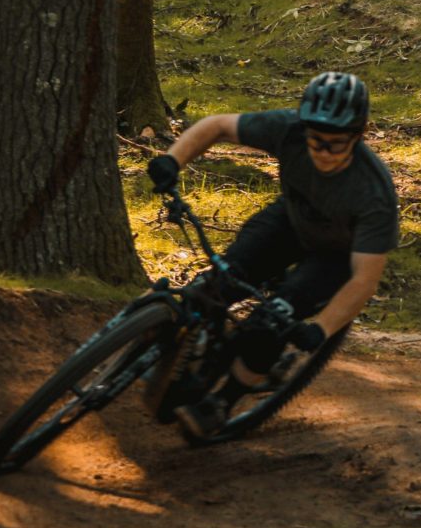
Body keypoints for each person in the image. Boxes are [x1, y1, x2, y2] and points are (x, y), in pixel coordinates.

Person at [145, 71, 398, 437]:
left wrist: (321, 329)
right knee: (219, 282)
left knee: (270, 327)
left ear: (359, 134)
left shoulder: (374, 194)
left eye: (335, 143)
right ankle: (196, 345)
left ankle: (222, 402)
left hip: (336, 258)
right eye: (315, 140)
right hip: (291, 221)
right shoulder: (290, 129)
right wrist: (172, 160)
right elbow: (217, 126)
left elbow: (364, 279)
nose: (322, 152)